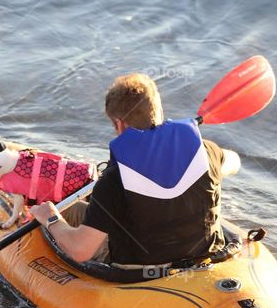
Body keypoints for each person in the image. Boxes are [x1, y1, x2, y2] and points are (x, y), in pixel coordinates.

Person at [28, 73, 240, 266]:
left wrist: (51, 217)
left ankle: (36, 211)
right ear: (158, 111)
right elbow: (234, 162)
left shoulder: (113, 179)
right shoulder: (206, 152)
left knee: (66, 208)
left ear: (119, 124)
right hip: (203, 257)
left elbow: (81, 251)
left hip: (140, 270)